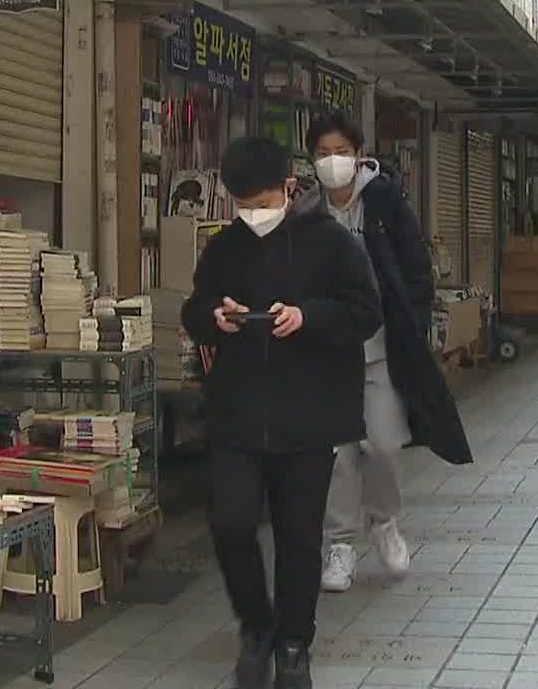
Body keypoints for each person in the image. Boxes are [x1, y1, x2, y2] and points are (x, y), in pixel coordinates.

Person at [180, 136, 383, 689]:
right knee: (230, 523)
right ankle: (256, 626)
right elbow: (194, 307)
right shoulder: (225, 247)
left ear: (289, 189)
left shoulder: (332, 243)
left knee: (299, 537)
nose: (253, 214)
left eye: (262, 202)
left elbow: (365, 311)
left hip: (307, 416)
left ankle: (294, 644)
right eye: (243, 204)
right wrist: (213, 319)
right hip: (237, 413)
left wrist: (307, 317)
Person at [297, 113, 473, 594]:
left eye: (340, 150)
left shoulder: (385, 200)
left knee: (383, 443)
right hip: (329, 353)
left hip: (379, 348)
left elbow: (415, 268)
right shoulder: (307, 213)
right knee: (336, 454)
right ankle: (339, 545)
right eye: (323, 152)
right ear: (313, 160)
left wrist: (414, 323)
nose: (333, 161)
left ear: (357, 153)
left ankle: (384, 521)